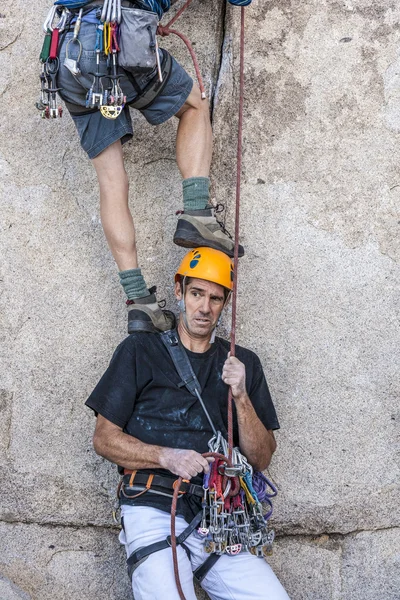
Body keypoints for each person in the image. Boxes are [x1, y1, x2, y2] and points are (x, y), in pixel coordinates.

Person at [85, 247, 289, 599]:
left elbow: (261, 458)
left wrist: (241, 396)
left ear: (225, 304)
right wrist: (167, 456)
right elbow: (104, 439)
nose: (205, 307)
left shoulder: (244, 364)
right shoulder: (140, 351)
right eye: (196, 294)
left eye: (215, 298)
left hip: (220, 516)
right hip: (152, 504)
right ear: (179, 291)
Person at [54, 0, 245, 332]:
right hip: (112, 37)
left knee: (111, 181)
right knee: (194, 106)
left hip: (64, 53)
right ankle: (197, 212)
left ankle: (140, 304)